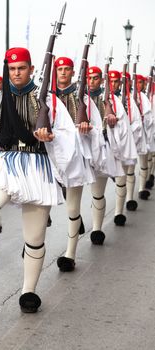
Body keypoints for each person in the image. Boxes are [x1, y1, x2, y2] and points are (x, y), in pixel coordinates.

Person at [0, 47, 85, 313]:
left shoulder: (50, 102)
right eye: (11, 69)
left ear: (32, 69)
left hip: (37, 166)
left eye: (21, 68)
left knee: (34, 238)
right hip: (6, 161)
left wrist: (51, 138)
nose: (16, 73)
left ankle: (28, 292)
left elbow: (70, 138)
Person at [54, 57, 105, 271]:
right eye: (60, 69)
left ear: (73, 72)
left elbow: (98, 128)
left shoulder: (82, 97)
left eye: (67, 69)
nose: (63, 73)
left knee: (72, 208)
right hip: (50, 158)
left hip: (74, 159)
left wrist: (87, 127)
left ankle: (70, 253)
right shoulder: (47, 97)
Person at [87, 66, 136, 244]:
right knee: (97, 193)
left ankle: (119, 211)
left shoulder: (113, 101)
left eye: (95, 78)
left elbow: (125, 127)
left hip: (112, 149)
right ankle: (97, 229)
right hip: (93, 152)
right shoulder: (82, 100)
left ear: (101, 80)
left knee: (121, 182)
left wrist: (113, 123)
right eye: (89, 78)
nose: (92, 81)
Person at [108, 70, 137, 223]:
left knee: (121, 179)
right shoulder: (103, 99)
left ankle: (119, 212)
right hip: (106, 145)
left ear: (120, 83)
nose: (113, 85)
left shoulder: (127, 100)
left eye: (116, 82)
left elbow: (135, 120)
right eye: (110, 82)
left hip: (123, 142)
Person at [136, 74, 154, 200]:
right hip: (133, 134)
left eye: (141, 82)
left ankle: (142, 188)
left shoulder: (147, 98)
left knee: (145, 160)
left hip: (146, 132)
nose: (139, 85)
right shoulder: (128, 98)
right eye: (136, 82)